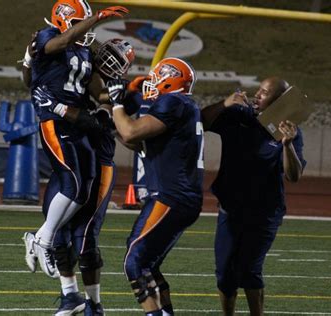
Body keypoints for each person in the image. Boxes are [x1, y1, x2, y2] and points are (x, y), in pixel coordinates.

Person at [22, 0, 129, 280]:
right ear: (64, 21)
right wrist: (95, 19)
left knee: (81, 192)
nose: (82, 32)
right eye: (78, 24)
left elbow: (97, 91)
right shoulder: (48, 37)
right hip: (53, 118)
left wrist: (115, 93)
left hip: (76, 120)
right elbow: (54, 48)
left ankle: (40, 236)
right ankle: (43, 240)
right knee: (71, 184)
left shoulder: (82, 51)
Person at [33, 38, 136, 316]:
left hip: (99, 166)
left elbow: (97, 122)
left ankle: (94, 304)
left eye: (111, 58)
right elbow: (37, 81)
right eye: (103, 56)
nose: (103, 61)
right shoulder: (74, 77)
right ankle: (70, 296)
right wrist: (31, 59)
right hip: (74, 159)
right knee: (57, 230)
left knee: (85, 238)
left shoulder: (116, 91)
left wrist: (58, 108)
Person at [107, 57, 204, 316]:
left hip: (171, 196)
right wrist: (114, 123)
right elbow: (140, 143)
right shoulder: (183, 104)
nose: (151, 81)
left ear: (170, 79)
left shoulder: (172, 102)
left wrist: (118, 103)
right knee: (148, 263)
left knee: (134, 262)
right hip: (178, 196)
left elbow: (131, 133)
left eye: (157, 76)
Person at [201, 77, 306, 316]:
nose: (257, 95)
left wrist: (288, 145)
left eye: (265, 92)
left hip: (264, 212)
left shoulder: (287, 129)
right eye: (259, 89)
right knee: (225, 272)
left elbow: (294, 176)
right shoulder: (239, 115)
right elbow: (201, 121)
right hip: (231, 207)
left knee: (249, 270)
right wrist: (224, 104)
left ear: (279, 101)